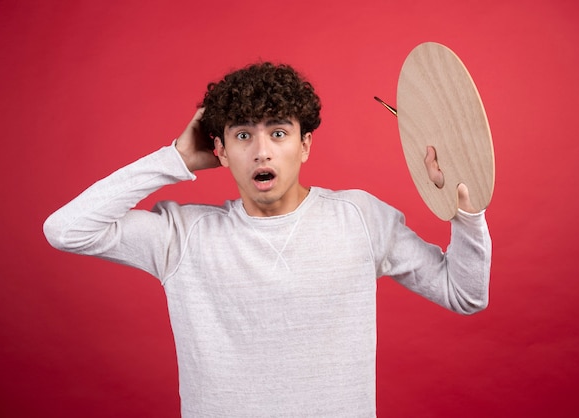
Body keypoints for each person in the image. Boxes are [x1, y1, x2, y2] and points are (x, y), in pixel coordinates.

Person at [43, 62, 491, 417]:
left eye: (278, 132)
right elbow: (66, 230)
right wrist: (174, 159)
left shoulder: (360, 217)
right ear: (218, 150)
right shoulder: (182, 235)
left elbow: (465, 293)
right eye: (243, 135)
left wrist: (464, 200)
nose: (262, 150)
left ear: (305, 145)